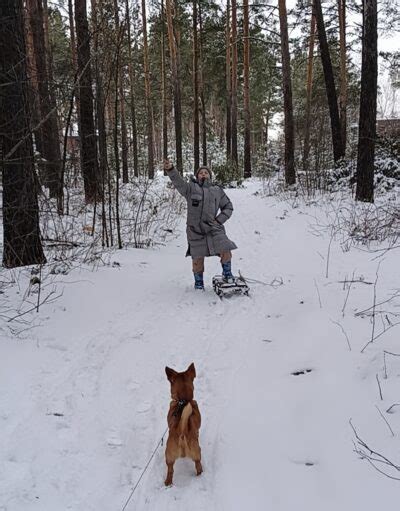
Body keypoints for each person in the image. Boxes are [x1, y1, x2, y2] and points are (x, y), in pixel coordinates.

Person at [164, 159, 237, 290]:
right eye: (201, 173)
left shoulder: (217, 190)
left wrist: (219, 220)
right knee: (197, 258)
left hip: (213, 228)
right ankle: (199, 283)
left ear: (210, 176)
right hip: (195, 230)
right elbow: (179, 183)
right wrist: (171, 170)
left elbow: (228, 207)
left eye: (206, 173)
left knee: (225, 248)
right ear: (197, 176)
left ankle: (227, 274)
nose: (203, 174)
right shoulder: (190, 188)